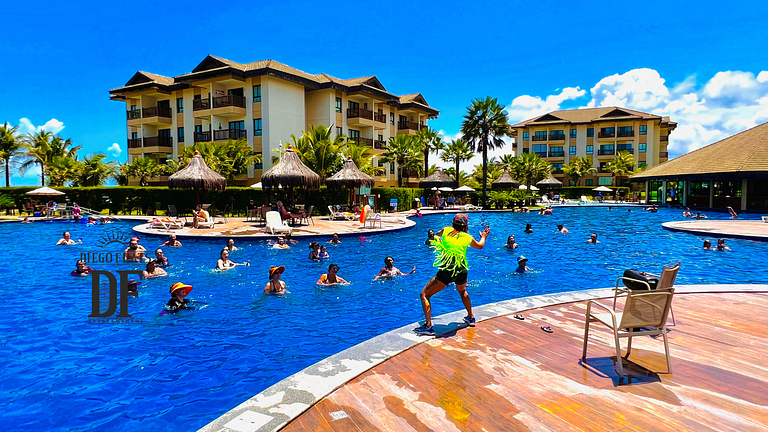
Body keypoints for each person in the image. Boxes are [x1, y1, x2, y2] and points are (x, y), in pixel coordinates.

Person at [414, 214, 489, 336]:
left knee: (424, 295)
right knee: (462, 290)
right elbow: (480, 246)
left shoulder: (446, 230)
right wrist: (484, 236)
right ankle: (471, 317)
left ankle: (428, 326)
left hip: (448, 269)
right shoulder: (467, 237)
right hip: (462, 269)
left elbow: (438, 234)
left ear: (453, 224)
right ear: (466, 225)